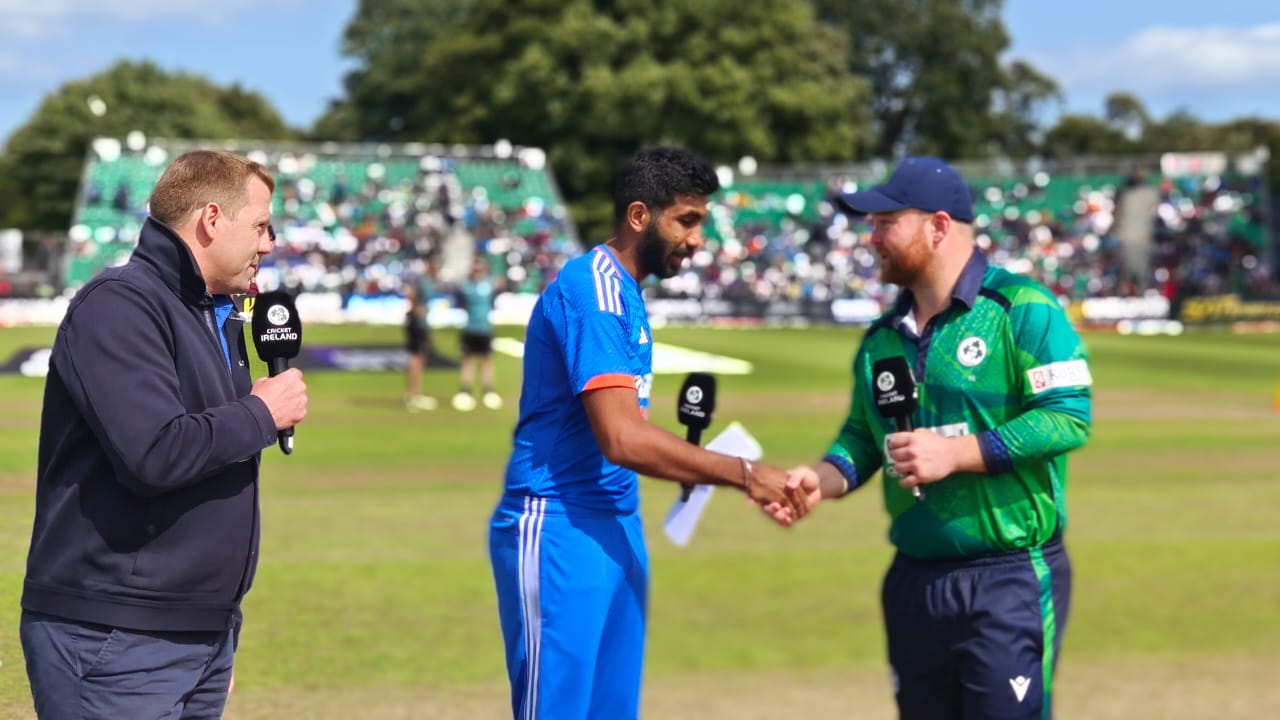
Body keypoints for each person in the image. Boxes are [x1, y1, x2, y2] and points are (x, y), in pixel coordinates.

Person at [488, 146, 808, 720]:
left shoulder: (625, 293)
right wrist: (744, 474)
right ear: (640, 215)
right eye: (687, 220)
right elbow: (623, 438)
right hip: (559, 526)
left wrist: (698, 467)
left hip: (615, 523)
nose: (697, 239)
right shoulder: (592, 288)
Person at [767, 157, 1092, 719]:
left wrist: (957, 453)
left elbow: (1067, 417)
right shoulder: (880, 338)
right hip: (913, 579)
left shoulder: (1023, 309)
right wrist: (819, 479)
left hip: (1007, 578)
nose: (871, 238)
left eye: (886, 223)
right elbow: (863, 437)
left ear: (939, 226)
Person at [20, 150, 309, 720]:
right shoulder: (119, 303)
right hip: (115, 633)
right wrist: (260, 413)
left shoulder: (214, 311)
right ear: (211, 219)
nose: (270, 244)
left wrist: (213, 631)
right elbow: (155, 452)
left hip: (193, 632)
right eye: (260, 226)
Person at [452, 257, 502, 411]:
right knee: (467, 359)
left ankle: (489, 391)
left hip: (485, 328)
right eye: (475, 270)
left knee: (486, 359)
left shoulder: (489, 284)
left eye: (480, 269)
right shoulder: (466, 286)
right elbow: (460, 301)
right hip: (470, 327)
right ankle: (465, 390)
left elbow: (498, 290)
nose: (477, 272)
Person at [404, 254, 442, 412]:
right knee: (417, 358)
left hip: (421, 323)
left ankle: (416, 394)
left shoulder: (429, 281)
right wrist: (415, 308)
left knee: (421, 358)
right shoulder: (422, 280)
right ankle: (413, 395)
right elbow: (410, 293)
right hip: (417, 323)